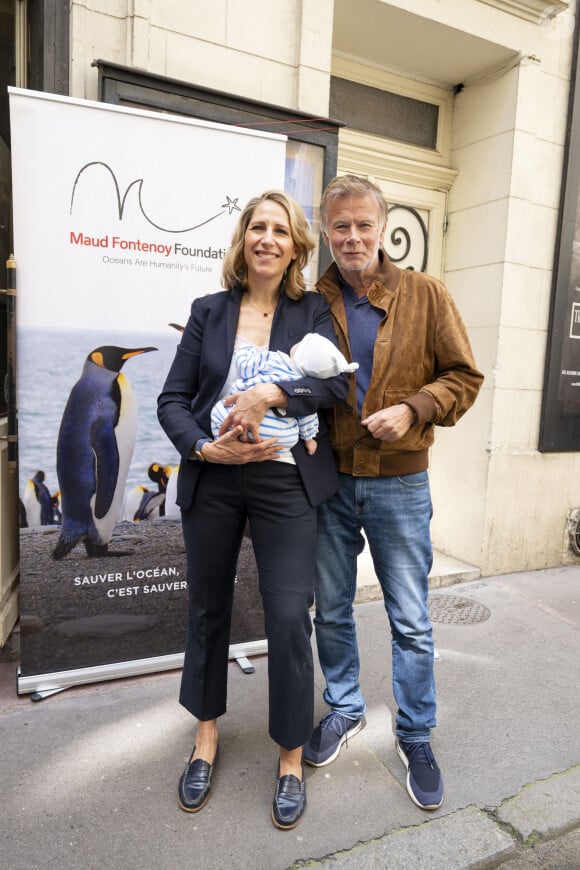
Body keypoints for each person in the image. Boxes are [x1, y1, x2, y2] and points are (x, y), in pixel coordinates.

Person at [157, 190, 349, 830]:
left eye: (280, 230)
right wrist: (204, 448)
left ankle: (290, 755)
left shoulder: (312, 308)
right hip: (215, 478)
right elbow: (172, 400)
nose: (267, 238)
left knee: (291, 615)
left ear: (295, 245)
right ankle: (206, 738)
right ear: (244, 241)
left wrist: (271, 391)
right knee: (208, 606)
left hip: (284, 481)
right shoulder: (208, 311)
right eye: (256, 228)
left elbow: (335, 383)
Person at [303, 175, 484, 811]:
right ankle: (345, 708)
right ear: (326, 232)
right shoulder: (310, 299)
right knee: (331, 607)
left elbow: (464, 375)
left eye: (363, 225)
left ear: (383, 228)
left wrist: (414, 409)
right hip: (329, 479)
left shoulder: (426, 294)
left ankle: (415, 733)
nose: (352, 237)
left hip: (401, 482)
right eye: (340, 226)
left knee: (410, 617)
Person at [210, 333, 358, 455]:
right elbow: (307, 414)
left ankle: (221, 439)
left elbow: (245, 367)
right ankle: (268, 450)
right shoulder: (302, 383)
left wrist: (244, 348)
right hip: (281, 437)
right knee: (296, 426)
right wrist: (309, 438)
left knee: (219, 410)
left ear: (299, 355)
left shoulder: (276, 359)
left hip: (238, 421)